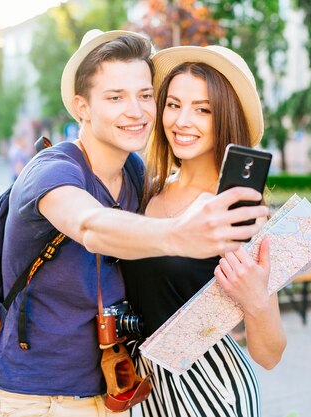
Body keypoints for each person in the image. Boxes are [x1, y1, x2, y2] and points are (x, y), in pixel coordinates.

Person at [0, 30, 268, 417]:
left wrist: (256, 300)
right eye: (115, 97)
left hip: (123, 390)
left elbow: (267, 344)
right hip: (43, 396)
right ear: (82, 107)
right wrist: (182, 235)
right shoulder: (52, 171)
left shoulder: (138, 177)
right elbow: (90, 226)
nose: (135, 111)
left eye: (145, 96)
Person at [121, 45, 287, 417]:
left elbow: (270, 354)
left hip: (212, 391)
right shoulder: (147, 190)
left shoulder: (239, 212)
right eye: (174, 104)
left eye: (202, 109)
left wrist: (256, 298)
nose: (182, 121)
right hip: (148, 392)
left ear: (223, 118)